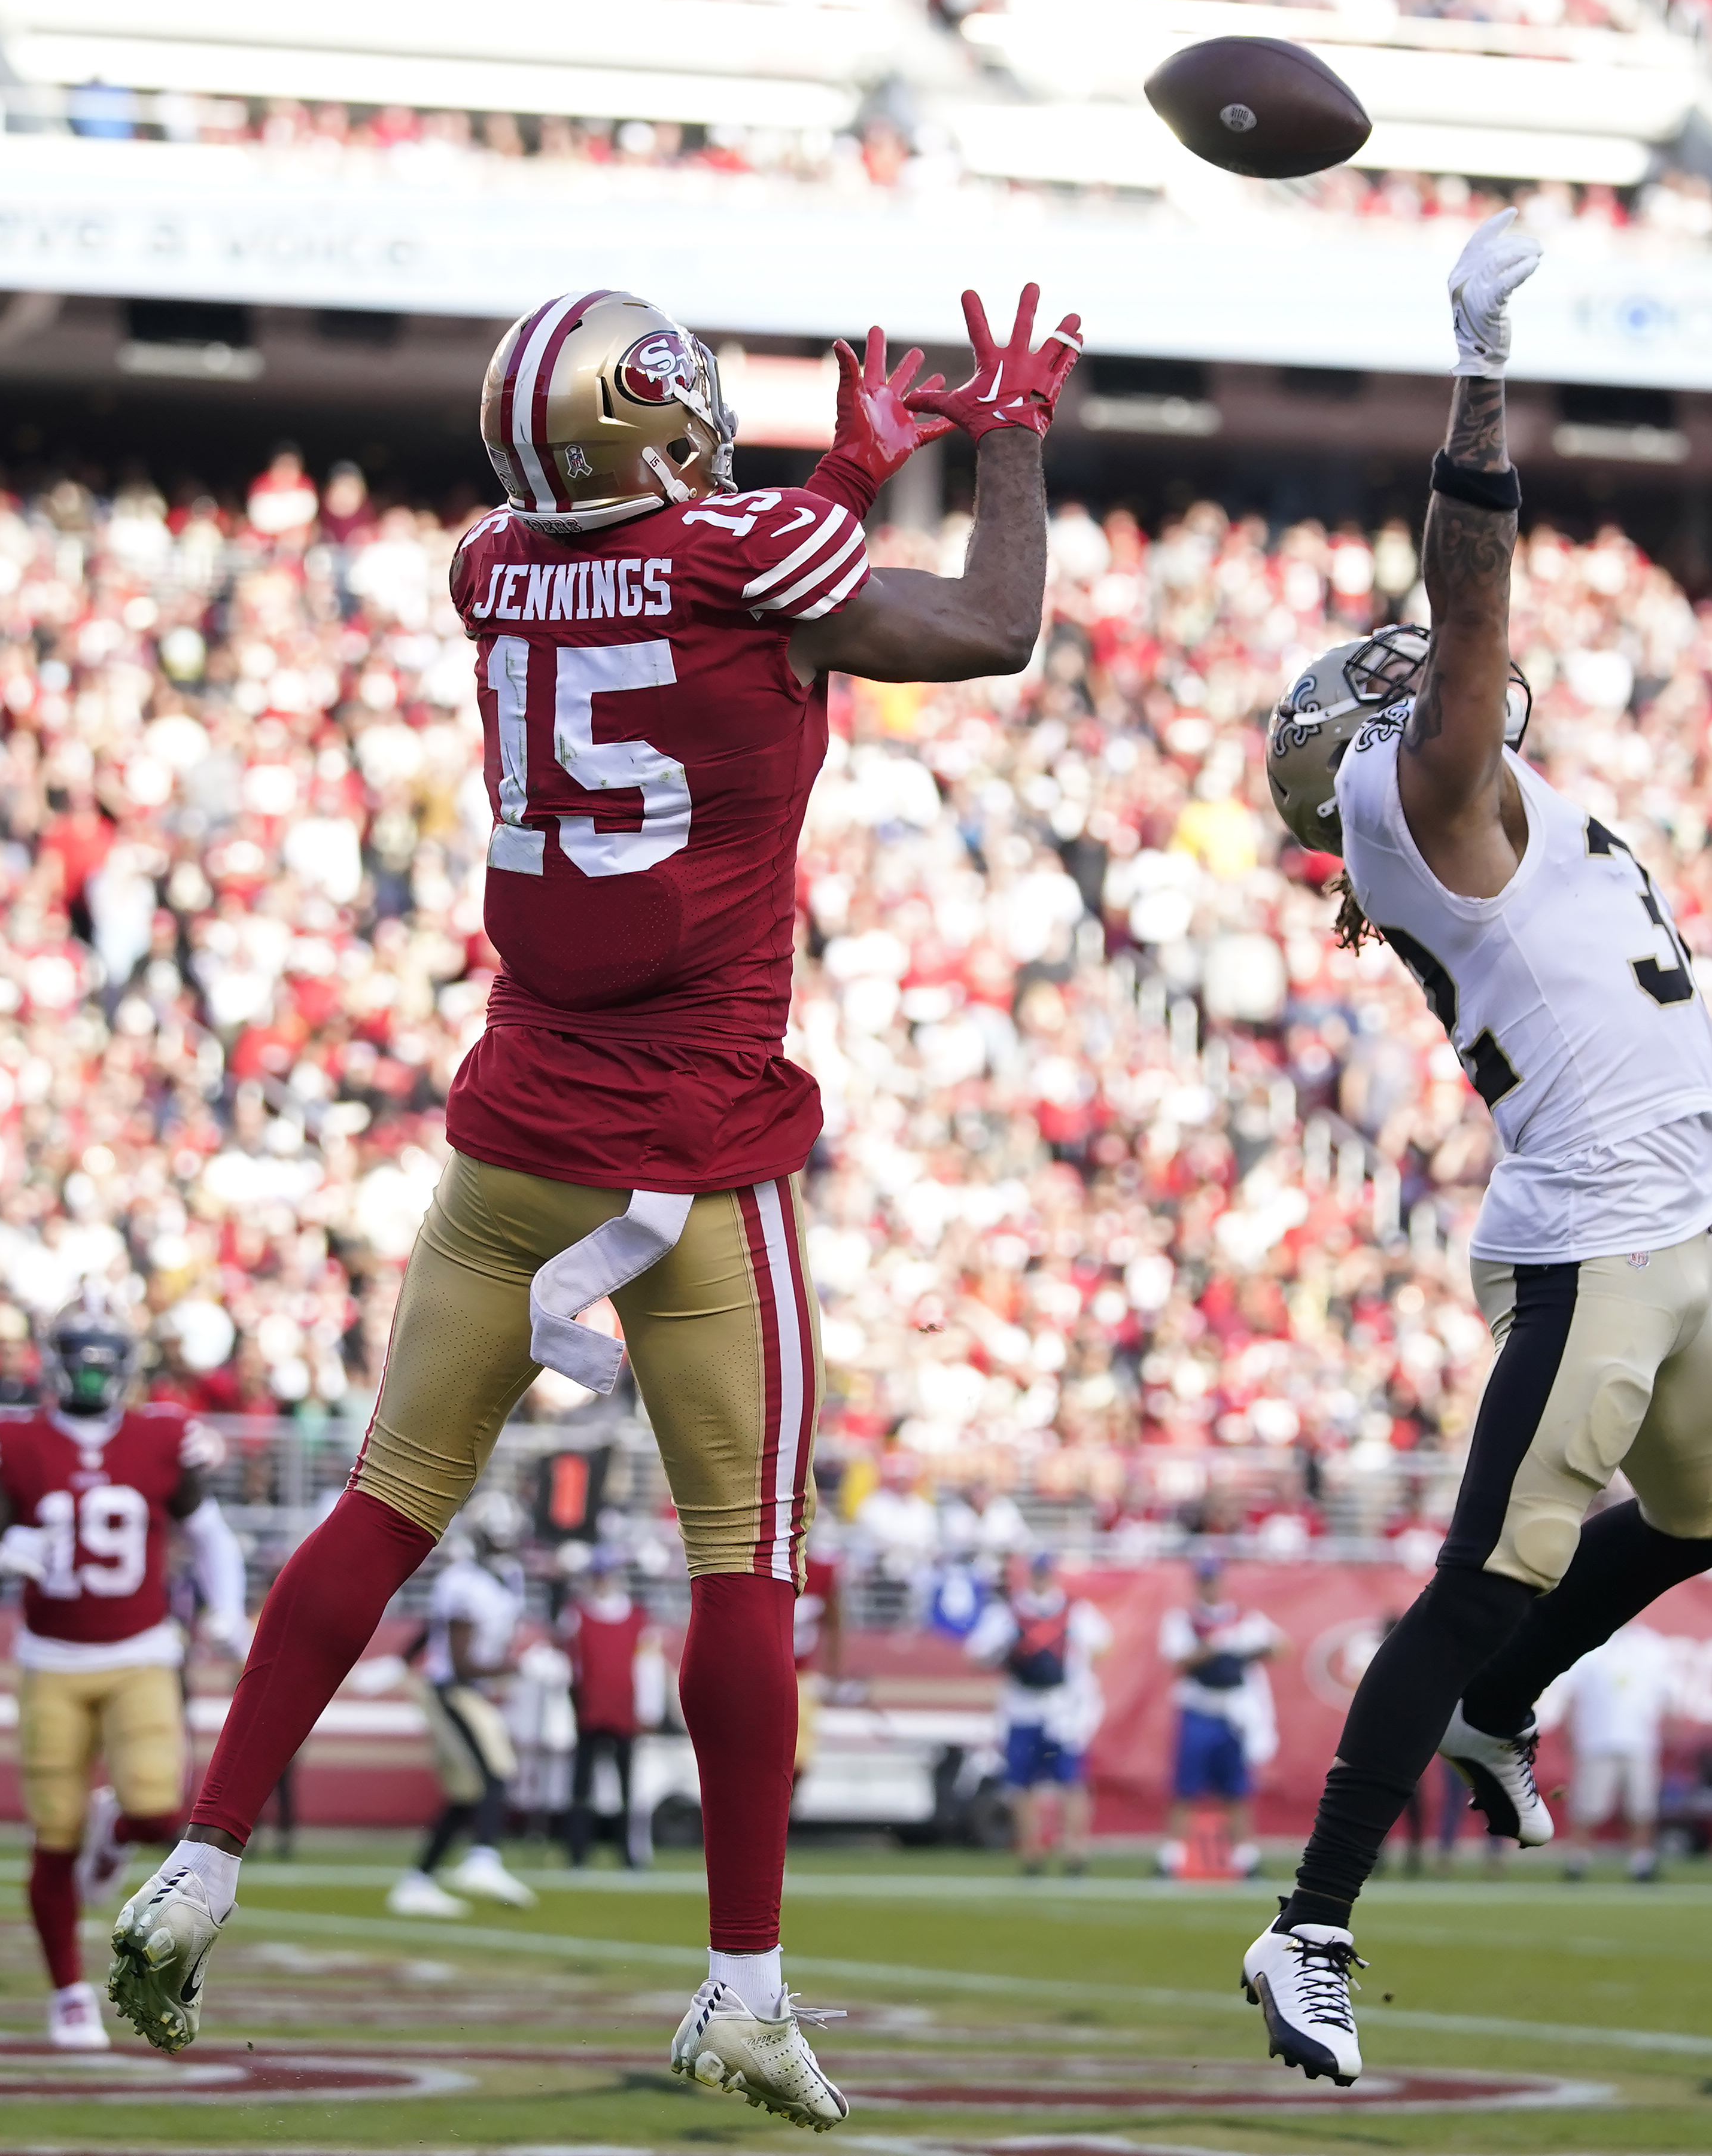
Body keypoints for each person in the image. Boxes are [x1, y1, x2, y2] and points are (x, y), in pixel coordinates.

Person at [111, 282, 1080, 2134]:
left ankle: (203, 1863)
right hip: (692, 1145)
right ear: (659, 437)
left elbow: (704, 587)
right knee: (742, 1561)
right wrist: (1006, 442)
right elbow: (983, 625)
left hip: (509, 1143)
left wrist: (851, 470)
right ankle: (739, 1989)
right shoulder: (739, 543)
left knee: (385, 1506)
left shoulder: (490, 561)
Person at [1238, 214, 1712, 2089]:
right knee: (1476, 1567)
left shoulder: (1476, 790)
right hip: (1590, 1235)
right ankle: (1305, 1925)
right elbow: (1468, 612)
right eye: (1383, 687)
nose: (1413, 677)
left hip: (1676, 1215)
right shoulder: (1411, 796)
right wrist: (1474, 377)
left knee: (1709, 1515)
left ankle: (1500, 1704)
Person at [0, 1300, 245, 2052]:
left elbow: (208, 1533)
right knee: (52, 1839)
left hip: (140, 1651)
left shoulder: (161, 1435)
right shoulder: (12, 1441)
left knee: (158, 1812)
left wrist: (225, 1612)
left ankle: (111, 1831)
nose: (90, 1374)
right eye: (78, 1359)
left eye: (101, 1360)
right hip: (49, 1660)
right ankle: (67, 1997)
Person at [392, 1510, 539, 1917]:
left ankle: (417, 1882)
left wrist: (402, 1659)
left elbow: (432, 1631)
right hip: (451, 1691)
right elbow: (461, 1662)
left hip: (466, 1691)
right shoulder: (464, 1584)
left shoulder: (505, 1581)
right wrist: (522, 1667)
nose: (503, 1548)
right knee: (495, 1772)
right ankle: (482, 1858)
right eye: (496, 1540)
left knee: (466, 1791)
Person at [968, 1552, 1109, 1878]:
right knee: (1022, 1784)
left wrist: (1077, 1670)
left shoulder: (1075, 1610)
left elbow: (1102, 1646)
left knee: (1071, 1782)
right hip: (1022, 1706)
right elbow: (977, 1655)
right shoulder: (1008, 1612)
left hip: (1062, 1709)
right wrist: (1007, 1650)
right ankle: (1031, 1853)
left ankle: (1075, 1852)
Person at [1155, 1554, 1278, 1880]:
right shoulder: (1184, 1620)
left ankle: (1245, 1859)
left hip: (1233, 1712)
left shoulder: (1245, 1619)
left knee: (1236, 1789)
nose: (1210, 1586)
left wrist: (1253, 1646)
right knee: (1186, 1787)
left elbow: (1281, 1648)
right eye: (1204, 1580)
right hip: (1200, 1709)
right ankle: (1172, 1857)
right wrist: (1216, 1644)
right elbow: (1180, 1659)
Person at [560, 1554, 654, 1871]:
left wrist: (648, 1709)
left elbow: (647, 1666)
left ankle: (629, 1852)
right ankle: (577, 1852)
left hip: (624, 1710)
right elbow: (572, 1665)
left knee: (628, 1787)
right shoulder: (578, 1615)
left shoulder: (636, 1616)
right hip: (590, 1710)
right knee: (581, 1787)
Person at [1559, 1620, 1671, 1883]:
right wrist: (1570, 1727)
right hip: (1597, 1739)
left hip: (1640, 1740)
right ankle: (1578, 1860)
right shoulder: (1591, 1642)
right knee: (1588, 1806)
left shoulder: (1652, 1645)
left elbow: (1666, 1693)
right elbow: (1573, 1691)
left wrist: (1668, 1726)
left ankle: (1641, 1863)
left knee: (1641, 1806)